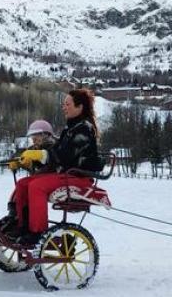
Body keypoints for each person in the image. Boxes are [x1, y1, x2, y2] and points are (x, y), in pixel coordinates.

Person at [6, 89, 104, 245]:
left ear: (80, 107)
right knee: (23, 184)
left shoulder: (84, 129)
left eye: (67, 104)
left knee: (37, 186)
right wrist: (26, 161)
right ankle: (23, 226)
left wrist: (40, 155)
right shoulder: (70, 129)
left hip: (78, 177)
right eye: (63, 104)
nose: (64, 107)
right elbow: (55, 154)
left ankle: (37, 232)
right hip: (65, 175)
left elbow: (64, 156)